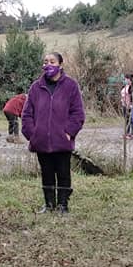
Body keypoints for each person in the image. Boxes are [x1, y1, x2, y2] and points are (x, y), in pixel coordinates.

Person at [21, 52, 86, 213]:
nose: (48, 64)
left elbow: (78, 113)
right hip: (41, 141)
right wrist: (33, 134)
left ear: (60, 65)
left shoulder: (71, 86)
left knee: (63, 173)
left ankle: (63, 205)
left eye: (52, 61)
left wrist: (69, 132)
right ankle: (49, 204)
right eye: (46, 61)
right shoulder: (36, 87)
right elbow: (27, 114)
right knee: (47, 173)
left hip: (62, 140)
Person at [120, 73, 133, 139]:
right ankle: (126, 133)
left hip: (130, 105)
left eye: (126, 79)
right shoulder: (124, 86)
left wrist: (132, 104)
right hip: (124, 105)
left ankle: (132, 134)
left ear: (129, 79)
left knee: (131, 120)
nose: (125, 80)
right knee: (126, 120)